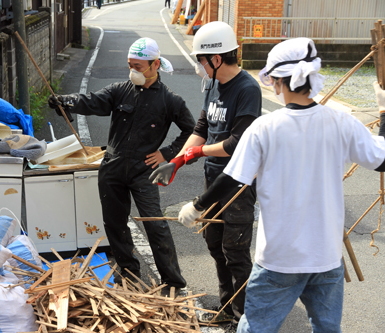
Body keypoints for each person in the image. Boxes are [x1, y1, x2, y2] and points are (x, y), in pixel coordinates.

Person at [178, 37, 385, 333]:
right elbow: (382, 158)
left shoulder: (265, 127)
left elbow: (234, 179)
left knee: (257, 328)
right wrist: (383, 113)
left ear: (276, 81)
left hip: (279, 259)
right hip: (326, 258)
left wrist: (197, 206)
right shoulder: (342, 122)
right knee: (327, 329)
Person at [48, 37, 195, 296]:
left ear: (155, 64)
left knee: (155, 224)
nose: (133, 71)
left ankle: (173, 282)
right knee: (114, 224)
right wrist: (66, 100)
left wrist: (167, 153)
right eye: (130, 65)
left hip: (144, 171)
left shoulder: (170, 100)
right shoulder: (119, 90)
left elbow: (191, 131)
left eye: (139, 66)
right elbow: (91, 101)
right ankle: (128, 273)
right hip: (112, 166)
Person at [149, 21, 262, 332]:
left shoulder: (247, 90)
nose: (198, 66)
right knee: (214, 242)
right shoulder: (213, 85)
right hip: (213, 180)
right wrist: (176, 161)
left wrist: (196, 154)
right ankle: (228, 305)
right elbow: (201, 129)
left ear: (215, 59)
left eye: (200, 60)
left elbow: (237, 145)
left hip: (238, 184)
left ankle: (243, 315)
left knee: (235, 249)